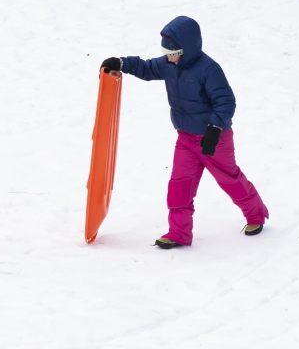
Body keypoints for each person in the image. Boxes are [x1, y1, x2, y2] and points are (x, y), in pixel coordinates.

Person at [101, 16, 268, 248]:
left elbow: (226, 101)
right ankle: (178, 233)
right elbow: (146, 67)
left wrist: (214, 128)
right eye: (167, 52)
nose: (170, 56)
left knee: (229, 179)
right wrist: (121, 63)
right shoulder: (169, 64)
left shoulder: (208, 69)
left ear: (188, 49)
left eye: (175, 52)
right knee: (179, 185)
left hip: (214, 139)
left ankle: (255, 214)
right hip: (186, 137)